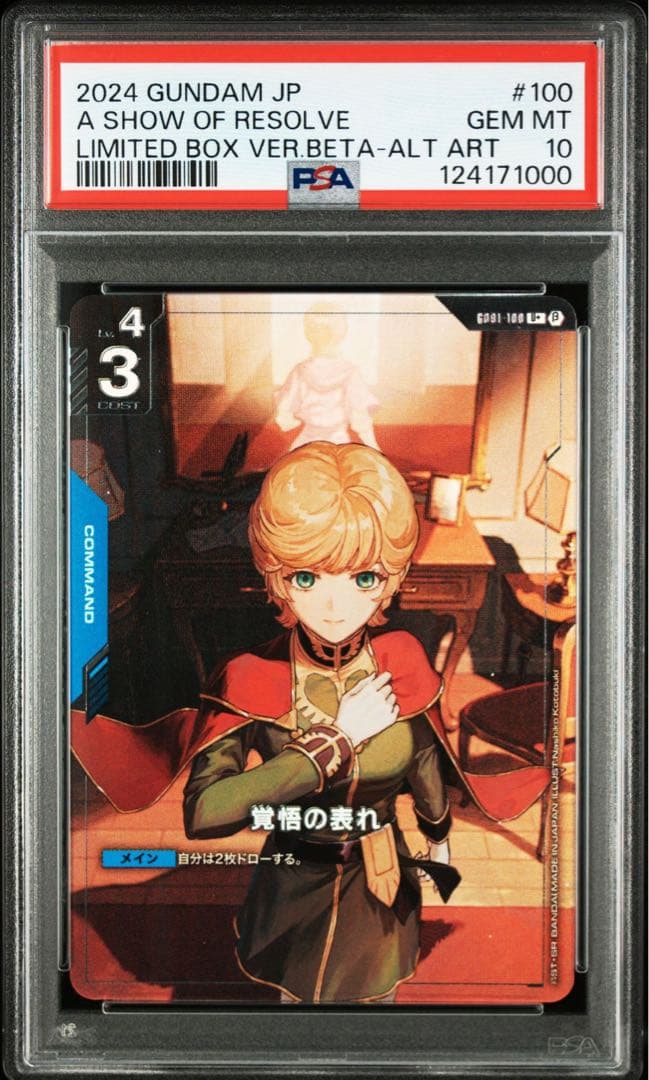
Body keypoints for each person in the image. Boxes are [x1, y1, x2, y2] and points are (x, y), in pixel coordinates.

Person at [182, 441, 454, 1003]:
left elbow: (424, 757)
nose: (335, 605)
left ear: (393, 579)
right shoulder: (248, 674)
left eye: (364, 578)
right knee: (294, 1012)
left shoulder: (403, 658)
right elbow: (205, 813)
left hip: (382, 877)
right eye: (306, 577)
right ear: (275, 578)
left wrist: (438, 835)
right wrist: (335, 740)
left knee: (376, 1007)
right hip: (292, 879)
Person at [274, 303, 380, 451]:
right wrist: (376, 451)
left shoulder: (300, 371)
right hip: (340, 443)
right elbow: (360, 420)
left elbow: (285, 418)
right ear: (342, 333)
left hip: (306, 443)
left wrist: (290, 420)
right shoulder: (350, 372)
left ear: (308, 334)